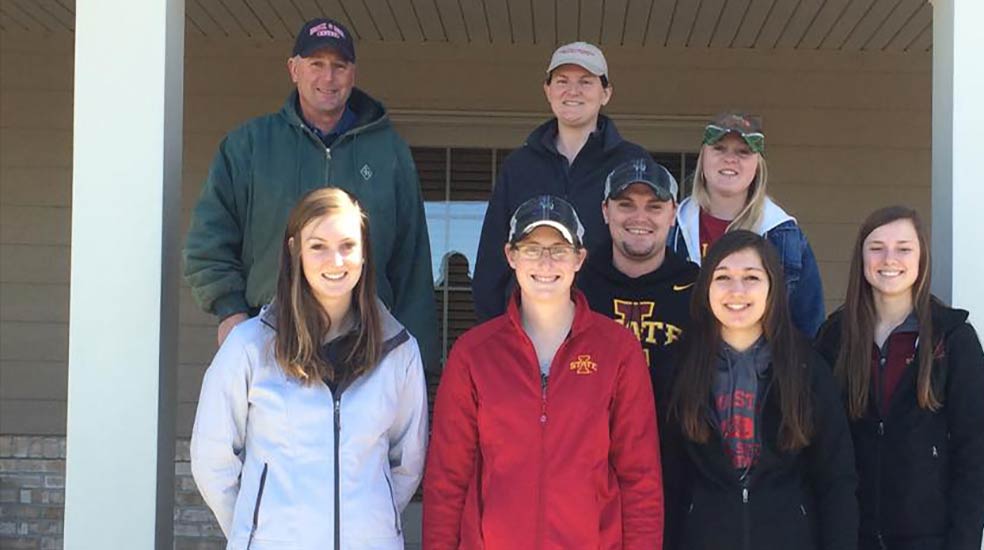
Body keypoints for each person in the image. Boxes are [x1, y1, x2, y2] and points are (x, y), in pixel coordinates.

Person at [182, 17, 439, 371]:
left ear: (353, 74)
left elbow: (412, 261)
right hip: (269, 336)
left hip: (365, 343)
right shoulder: (249, 147)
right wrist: (231, 312)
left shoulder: (389, 152)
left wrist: (417, 359)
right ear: (293, 69)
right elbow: (207, 243)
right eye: (316, 64)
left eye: (339, 66)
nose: (327, 78)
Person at [190, 188, 428, 549]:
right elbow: (212, 459)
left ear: (364, 254)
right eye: (318, 246)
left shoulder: (399, 352)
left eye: (348, 245)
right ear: (294, 250)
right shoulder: (248, 347)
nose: (335, 260)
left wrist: (366, 528)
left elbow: (406, 463)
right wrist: (254, 531)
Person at [424, 195, 663, 549]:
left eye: (559, 249)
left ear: (579, 259)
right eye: (532, 248)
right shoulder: (473, 355)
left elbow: (639, 477)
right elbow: (447, 479)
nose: (546, 262)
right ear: (511, 256)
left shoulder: (617, 349)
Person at [814, 206, 984, 550]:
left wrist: (964, 541)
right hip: (852, 536)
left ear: (921, 258)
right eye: (876, 247)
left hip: (930, 537)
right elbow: (819, 446)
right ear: (862, 257)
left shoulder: (953, 339)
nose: (889, 258)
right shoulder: (833, 338)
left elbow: (976, 453)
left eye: (903, 248)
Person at [662, 230, 857, 550]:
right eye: (723, 277)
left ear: (773, 288)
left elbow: (836, 478)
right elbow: (667, 481)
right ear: (706, 289)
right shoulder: (677, 368)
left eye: (751, 277)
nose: (736, 290)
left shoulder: (807, 367)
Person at [471, 41, 651, 321]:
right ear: (548, 90)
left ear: (606, 93)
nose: (573, 91)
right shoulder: (519, 165)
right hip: (527, 325)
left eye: (586, 82)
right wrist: (493, 329)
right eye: (562, 81)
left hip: (609, 321)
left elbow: (652, 245)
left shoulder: (632, 163)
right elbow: (492, 258)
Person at [670, 111, 824, 337]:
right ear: (703, 157)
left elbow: (808, 325)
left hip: (764, 369)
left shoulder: (783, 233)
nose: (730, 159)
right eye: (719, 148)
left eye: (743, 152)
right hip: (686, 366)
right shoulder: (673, 226)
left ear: (758, 165)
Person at [577, 158, 699, 412]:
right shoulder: (575, 286)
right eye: (626, 205)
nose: (639, 218)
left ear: (673, 214)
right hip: (592, 446)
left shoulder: (698, 290)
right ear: (605, 211)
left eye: (654, 207)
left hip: (676, 446)